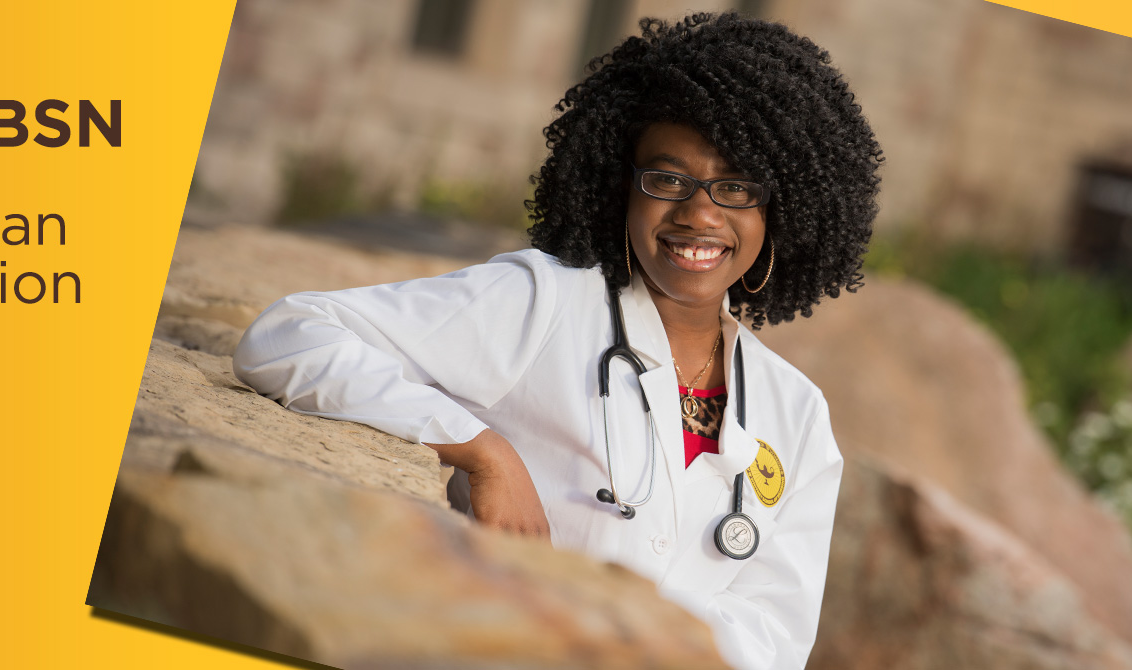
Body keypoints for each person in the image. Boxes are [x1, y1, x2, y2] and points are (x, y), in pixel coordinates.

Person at [232, 13, 881, 670]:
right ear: (619, 187)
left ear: (783, 210)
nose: (699, 213)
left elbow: (774, 638)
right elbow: (290, 336)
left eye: (736, 188)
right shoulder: (543, 300)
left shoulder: (796, 414)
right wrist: (482, 450)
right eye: (667, 178)